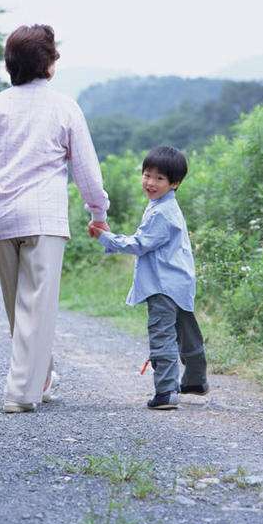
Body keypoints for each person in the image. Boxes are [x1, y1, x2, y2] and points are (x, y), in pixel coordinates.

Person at [0, 24, 110, 414]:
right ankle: (19, 394)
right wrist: (98, 212)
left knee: (19, 307)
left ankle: (41, 377)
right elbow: (86, 170)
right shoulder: (64, 107)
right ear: (48, 63)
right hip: (42, 217)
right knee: (36, 307)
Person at [89, 145, 208, 410]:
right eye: (146, 175)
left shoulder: (161, 212)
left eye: (159, 178)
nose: (150, 183)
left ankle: (165, 392)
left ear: (174, 183)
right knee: (187, 332)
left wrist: (105, 238)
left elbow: (140, 244)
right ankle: (195, 381)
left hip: (163, 285)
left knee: (162, 335)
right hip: (180, 282)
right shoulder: (164, 206)